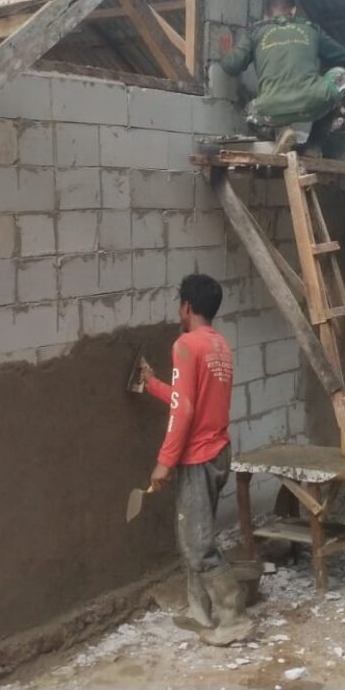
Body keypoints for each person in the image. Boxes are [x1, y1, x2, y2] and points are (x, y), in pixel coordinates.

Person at [135, 273, 253, 646]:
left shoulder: (185, 345)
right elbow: (189, 399)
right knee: (193, 535)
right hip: (218, 451)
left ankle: (233, 616)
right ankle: (199, 610)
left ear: (186, 306)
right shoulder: (218, 345)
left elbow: (183, 410)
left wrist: (164, 462)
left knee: (198, 544)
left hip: (198, 458)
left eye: (179, 305)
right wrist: (152, 384)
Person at [218, 0, 345, 154]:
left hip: (271, 109)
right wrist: (324, 78)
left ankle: (280, 133)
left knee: (250, 112)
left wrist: (226, 55)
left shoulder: (255, 32)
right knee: (341, 76)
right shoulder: (310, 29)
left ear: (265, 15)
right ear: (293, 10)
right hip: (312, 101)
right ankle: (313, 145)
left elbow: (232, 67)